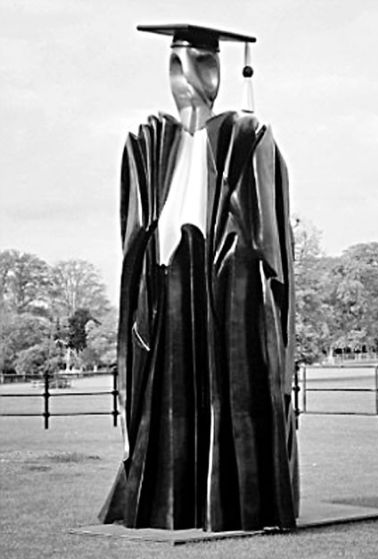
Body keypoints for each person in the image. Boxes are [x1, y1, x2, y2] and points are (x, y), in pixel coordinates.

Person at [99, 24, 299, 532]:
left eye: (199, 64)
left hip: (225, 294)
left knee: (225, 394)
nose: (186, 79)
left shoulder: (246, 139)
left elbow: (263, 234)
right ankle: (165, 497)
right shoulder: (150, 145)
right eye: (177, 65)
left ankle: (231, 499)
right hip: (165, 289)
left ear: (217, 72)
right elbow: (136, 226)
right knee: (167, 400)